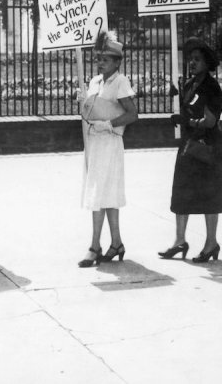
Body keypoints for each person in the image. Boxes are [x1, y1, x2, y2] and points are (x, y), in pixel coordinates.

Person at [160, 37, 222, 263]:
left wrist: (189, 122)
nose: (192, 62)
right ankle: (179, 240)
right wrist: (177, 105)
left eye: (197, 59)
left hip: (206, 148)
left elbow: (209, 121)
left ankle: (211, 243)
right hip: (188, 146)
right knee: (182, 192)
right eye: (190, 59)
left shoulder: (211, 86)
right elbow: (188, 112)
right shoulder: (188, 84)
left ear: (208, 62)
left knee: (209, 195)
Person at [77, 32, 138, 267]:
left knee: (99, 193)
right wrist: (83, 102)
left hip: (110, 141)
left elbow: (132, 114)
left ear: (116, 62)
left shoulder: (120, 82)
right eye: (99, 58)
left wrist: (109, 124)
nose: (100, 63)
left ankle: (94, 246)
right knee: (105, 193)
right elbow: (90, 111)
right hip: (94, 142)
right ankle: (116, 243)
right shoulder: (95, 81)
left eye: (105, 59)